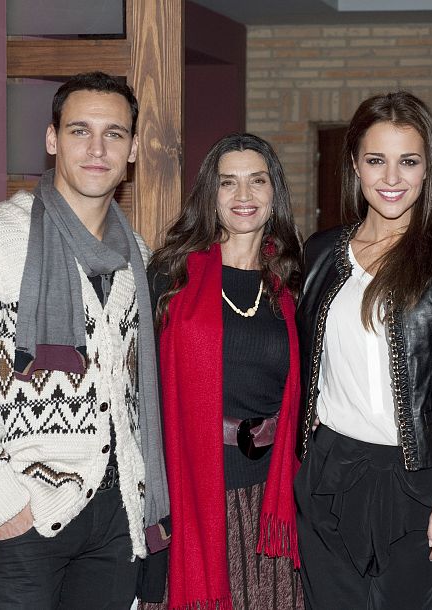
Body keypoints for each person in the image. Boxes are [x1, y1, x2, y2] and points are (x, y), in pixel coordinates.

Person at [0, 72, 170, 609]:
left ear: (132, 149)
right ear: (52, 139)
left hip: (115, 515)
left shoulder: (140, 259)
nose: (98, 149)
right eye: (80, 131)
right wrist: (5, 508)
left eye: (114, 133)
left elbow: (133, 395)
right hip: (28, 517)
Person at [294, 91, 432, 610]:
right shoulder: (319, 253)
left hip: (421, 479)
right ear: (356, 167)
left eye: (408, 162)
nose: (391, 178)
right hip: (329, 473)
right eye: (376, 160)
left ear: (428, 169)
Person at [143, 133, 304, 610]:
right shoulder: (170, 276)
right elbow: (142, 391)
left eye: (257, 181)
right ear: (209, 196)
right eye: (227, 183)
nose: (243, 197)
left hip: (271, 497)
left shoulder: (295, 279)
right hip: (193, 487)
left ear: (274, 191)